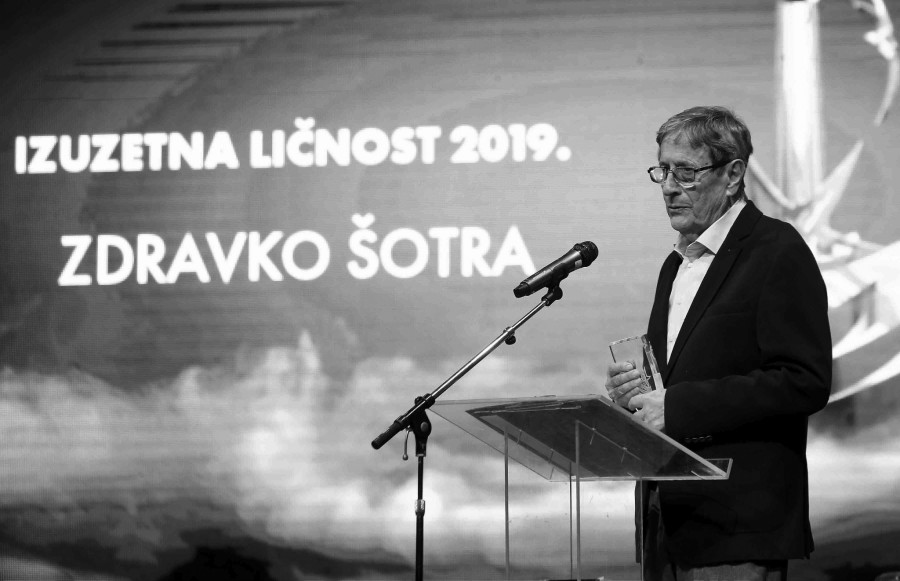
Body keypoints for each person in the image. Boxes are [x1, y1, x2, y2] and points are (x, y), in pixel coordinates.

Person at [605, 106, 832, 580]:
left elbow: (803, 380)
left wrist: (678, 406)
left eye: (686, 172)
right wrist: (638, 393)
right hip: (667, 521)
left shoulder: (776, 250)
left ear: (733, 175)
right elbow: (677, 379)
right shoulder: (676, 264)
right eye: (663, 170)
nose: (669, 187)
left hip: (736, 525)